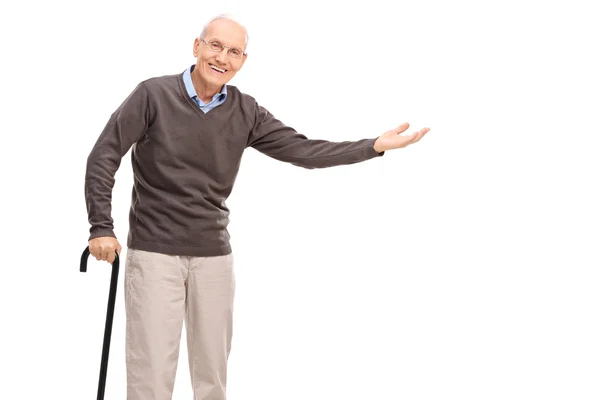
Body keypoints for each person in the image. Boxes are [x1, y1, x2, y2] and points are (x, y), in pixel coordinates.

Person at [84, 13, 429, 400]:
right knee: (151, 375)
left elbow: (304, 150)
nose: (223, 58)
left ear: (243, 61)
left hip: (214, 256)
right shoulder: (152, 95)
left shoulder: (246, 111)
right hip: (154, 252)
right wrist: (101, 226)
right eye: (215, 45)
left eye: (234, 51)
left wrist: (373, 146)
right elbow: (104, 155)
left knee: (212, 375)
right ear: (197, 47)